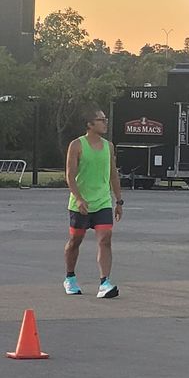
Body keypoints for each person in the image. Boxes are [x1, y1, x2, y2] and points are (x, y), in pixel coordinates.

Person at [64, 108, 123, 298]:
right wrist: (79, 198)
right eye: (101, 120)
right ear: (90, 124)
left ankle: (105, 282)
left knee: (105, 239)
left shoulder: (109, 146)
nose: (105, 123)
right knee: (75, 241)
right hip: (80, 204)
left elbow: (113, 174)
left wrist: (119, 200)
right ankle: (70, 277)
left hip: (103, 202)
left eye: (105, 119)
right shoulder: (76, 145)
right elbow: (70, 175)